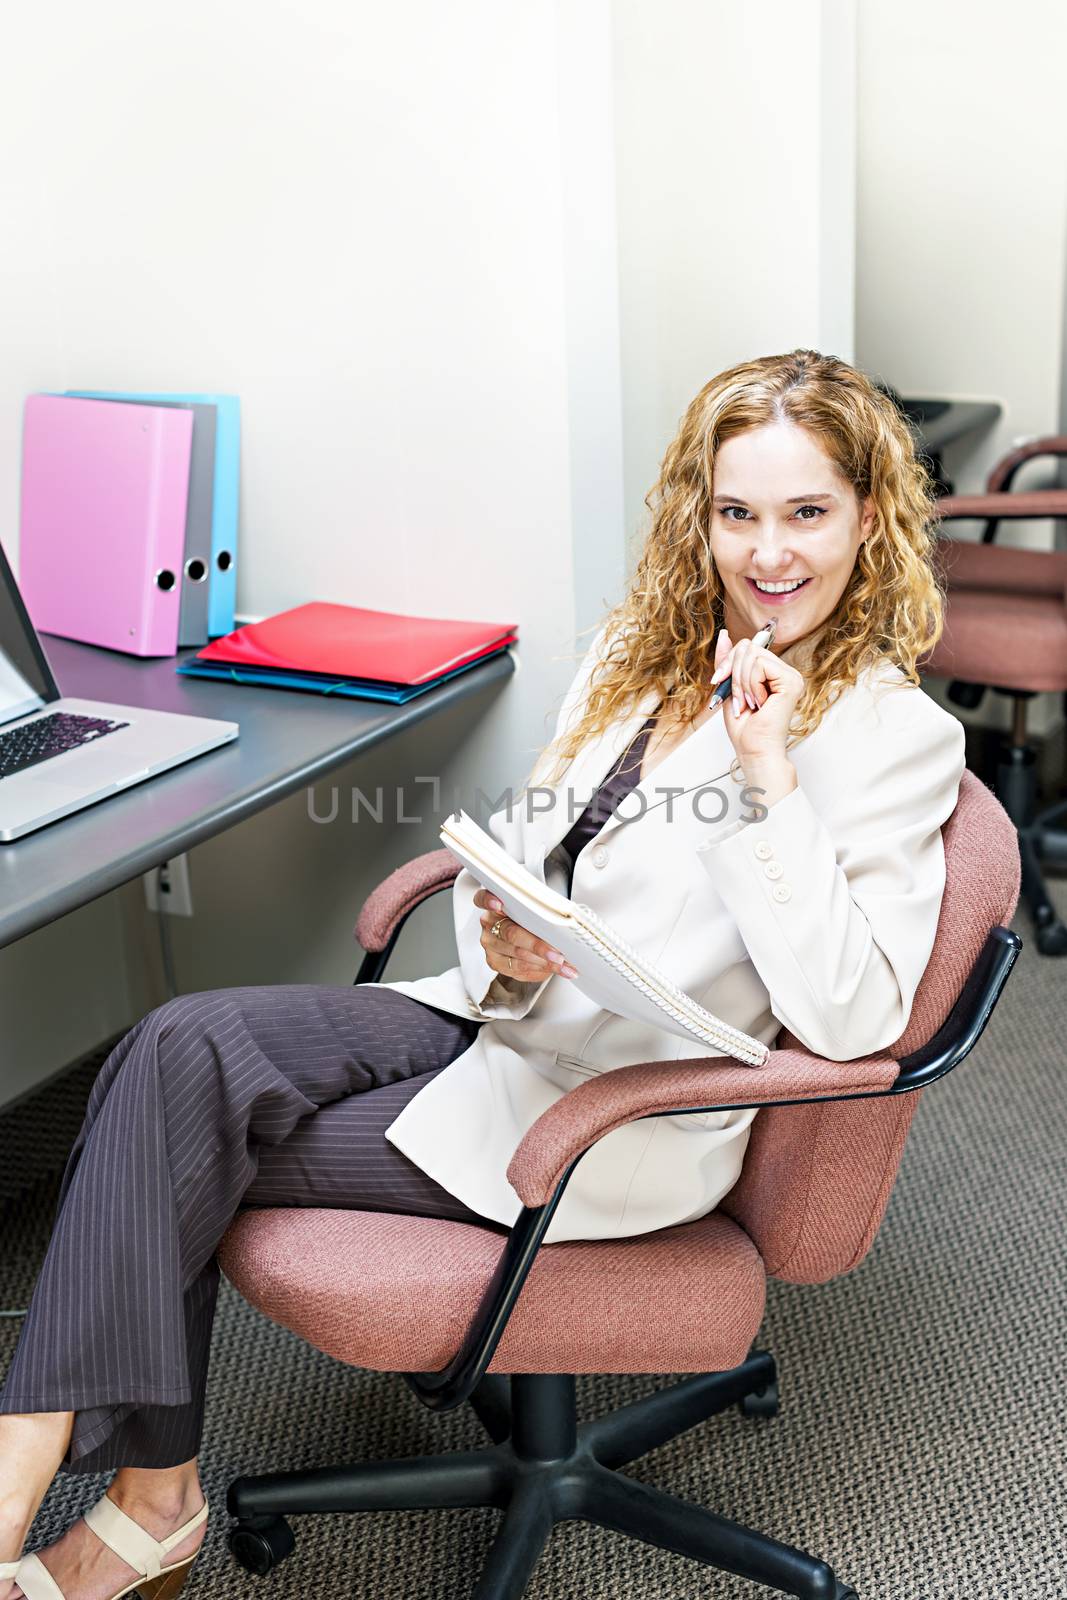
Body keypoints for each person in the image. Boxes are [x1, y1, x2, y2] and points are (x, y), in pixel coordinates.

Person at [0, 349, 966, 1600]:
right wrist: (497, 934)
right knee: (176, 1044)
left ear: (868, 517)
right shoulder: (643, 649)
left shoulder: (894, 738)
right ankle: (130, 1497)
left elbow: (853, 1018)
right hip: (501, 1021)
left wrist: (764, 774)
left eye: (805, 513)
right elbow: (520, 848)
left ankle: (108, 1502)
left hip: (602, 1112)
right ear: (701, 513)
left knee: (162, 1113)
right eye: (737, 512)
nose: (767, 553)